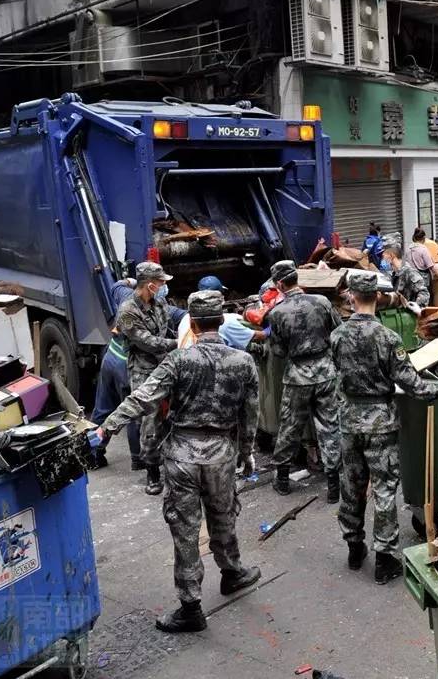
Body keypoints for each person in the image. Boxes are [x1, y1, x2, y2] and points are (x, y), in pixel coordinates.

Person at [97, 290, 263, 633]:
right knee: (223, 513)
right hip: (221, 452)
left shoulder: (178, 360)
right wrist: (246, 453)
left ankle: (191, 607)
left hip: (183, 454)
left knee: (185, 530)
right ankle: (231, 572)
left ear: (193, 322)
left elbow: (143, 398)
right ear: (220, 320)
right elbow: (251, 415)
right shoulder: (243, 361)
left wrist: (106, 428)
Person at [331, 271, 438, 584]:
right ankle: (384, 557)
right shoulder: (387, 339)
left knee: (351, 484)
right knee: (382, 487)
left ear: (351, 297)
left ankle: (354, 546)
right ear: (377, 298)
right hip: (380, 419)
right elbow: (412, 384)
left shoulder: (337, 335)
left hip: (349, 419)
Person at [262, 260, 343, 501]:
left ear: (279, 284)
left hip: (297, 375)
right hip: (326, 372)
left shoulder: (276, 313)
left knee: (290, 426)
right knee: (329, 426)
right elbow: (337, 332)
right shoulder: (322, 302)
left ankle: (284, 480)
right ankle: (333, 484)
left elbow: (277, 351)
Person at [115, 261, 179, 495]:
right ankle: (152, 471)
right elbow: (148, 342)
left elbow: (166, 328)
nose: (163, 286)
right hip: (144, 369)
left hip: (166, 364)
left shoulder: (160, 302)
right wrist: (179, 343)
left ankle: (174, 463)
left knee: (174, 414)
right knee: (149, 420)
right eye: (160, 282)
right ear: (149, 285)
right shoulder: (128, 311)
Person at [91, 276, 143, 470]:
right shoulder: (158, 311)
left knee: (104, 407)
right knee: (133, 411)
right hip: (126, 364)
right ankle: (138, 459)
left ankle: (93, 453)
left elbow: (117, 285)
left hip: (110, 356)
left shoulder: (127, 296)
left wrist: (131, 281)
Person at [383, 237, 429, 314]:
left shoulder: (409, 272)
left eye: (383, 255)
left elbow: (424, 293)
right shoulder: (393, 273)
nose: (382, 258)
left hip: (408, 317)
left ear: (391, 255)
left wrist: (416, 307)